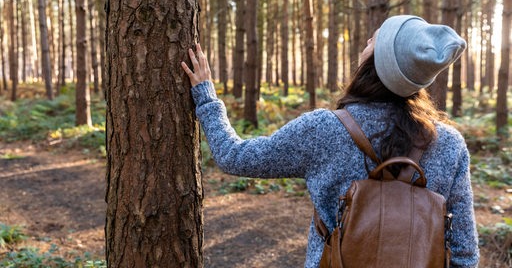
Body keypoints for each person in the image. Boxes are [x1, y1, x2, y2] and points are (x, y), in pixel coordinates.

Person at [181, 15, 479, 268]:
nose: (365, 44)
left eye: (373, 41)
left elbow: (233, 156)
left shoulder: (323, 129)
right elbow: (465, 254)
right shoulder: (449, 144)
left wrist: (206, 96)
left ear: (378, 62)